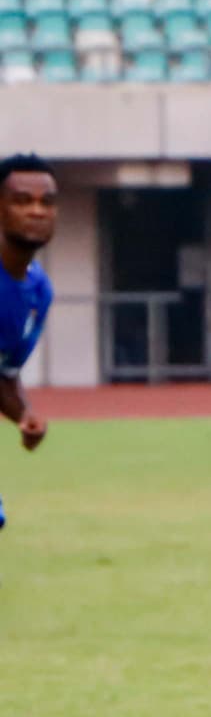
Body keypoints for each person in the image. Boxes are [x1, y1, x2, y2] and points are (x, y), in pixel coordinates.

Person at [0, 153, 55, 532]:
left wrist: (24, 415)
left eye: (47, 202)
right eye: (22, 201)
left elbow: (4, 374)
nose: (37, 211)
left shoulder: (38, 292)